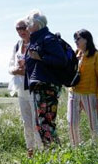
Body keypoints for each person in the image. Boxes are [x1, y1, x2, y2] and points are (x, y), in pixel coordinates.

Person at [24, 10, 67, 147]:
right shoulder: (37, 39)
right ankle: (53, 154)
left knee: (46, 122)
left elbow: (61, 60)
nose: (26, 26)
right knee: (42, 123)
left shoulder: (48, 38)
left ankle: (56, 156)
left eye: (28, 23)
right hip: (40, 87)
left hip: (47, 87)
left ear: (36, 24)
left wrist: (40, 57)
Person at [8, 18, 42, 156]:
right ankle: (31, 151)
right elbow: (10, 65)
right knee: (26, 122)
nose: (21, 31)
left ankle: (42, 151)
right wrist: (15, 70)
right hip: (21, 89)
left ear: (29, 27)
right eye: (18, 29)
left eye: (23, 28)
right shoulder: (17, 45)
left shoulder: (36, 43)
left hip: (35, 88)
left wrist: (27, 69)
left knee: (37, 122)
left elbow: (41, 65)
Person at [67, 29, 98, 145]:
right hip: (73, 93)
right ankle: (75, 149)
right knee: (71, 123)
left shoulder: (97, 56)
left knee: (94, 124)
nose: (76, 41)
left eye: (78, 38)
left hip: (90, 94)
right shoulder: (75, 55)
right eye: (74, 38)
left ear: (86, 39)